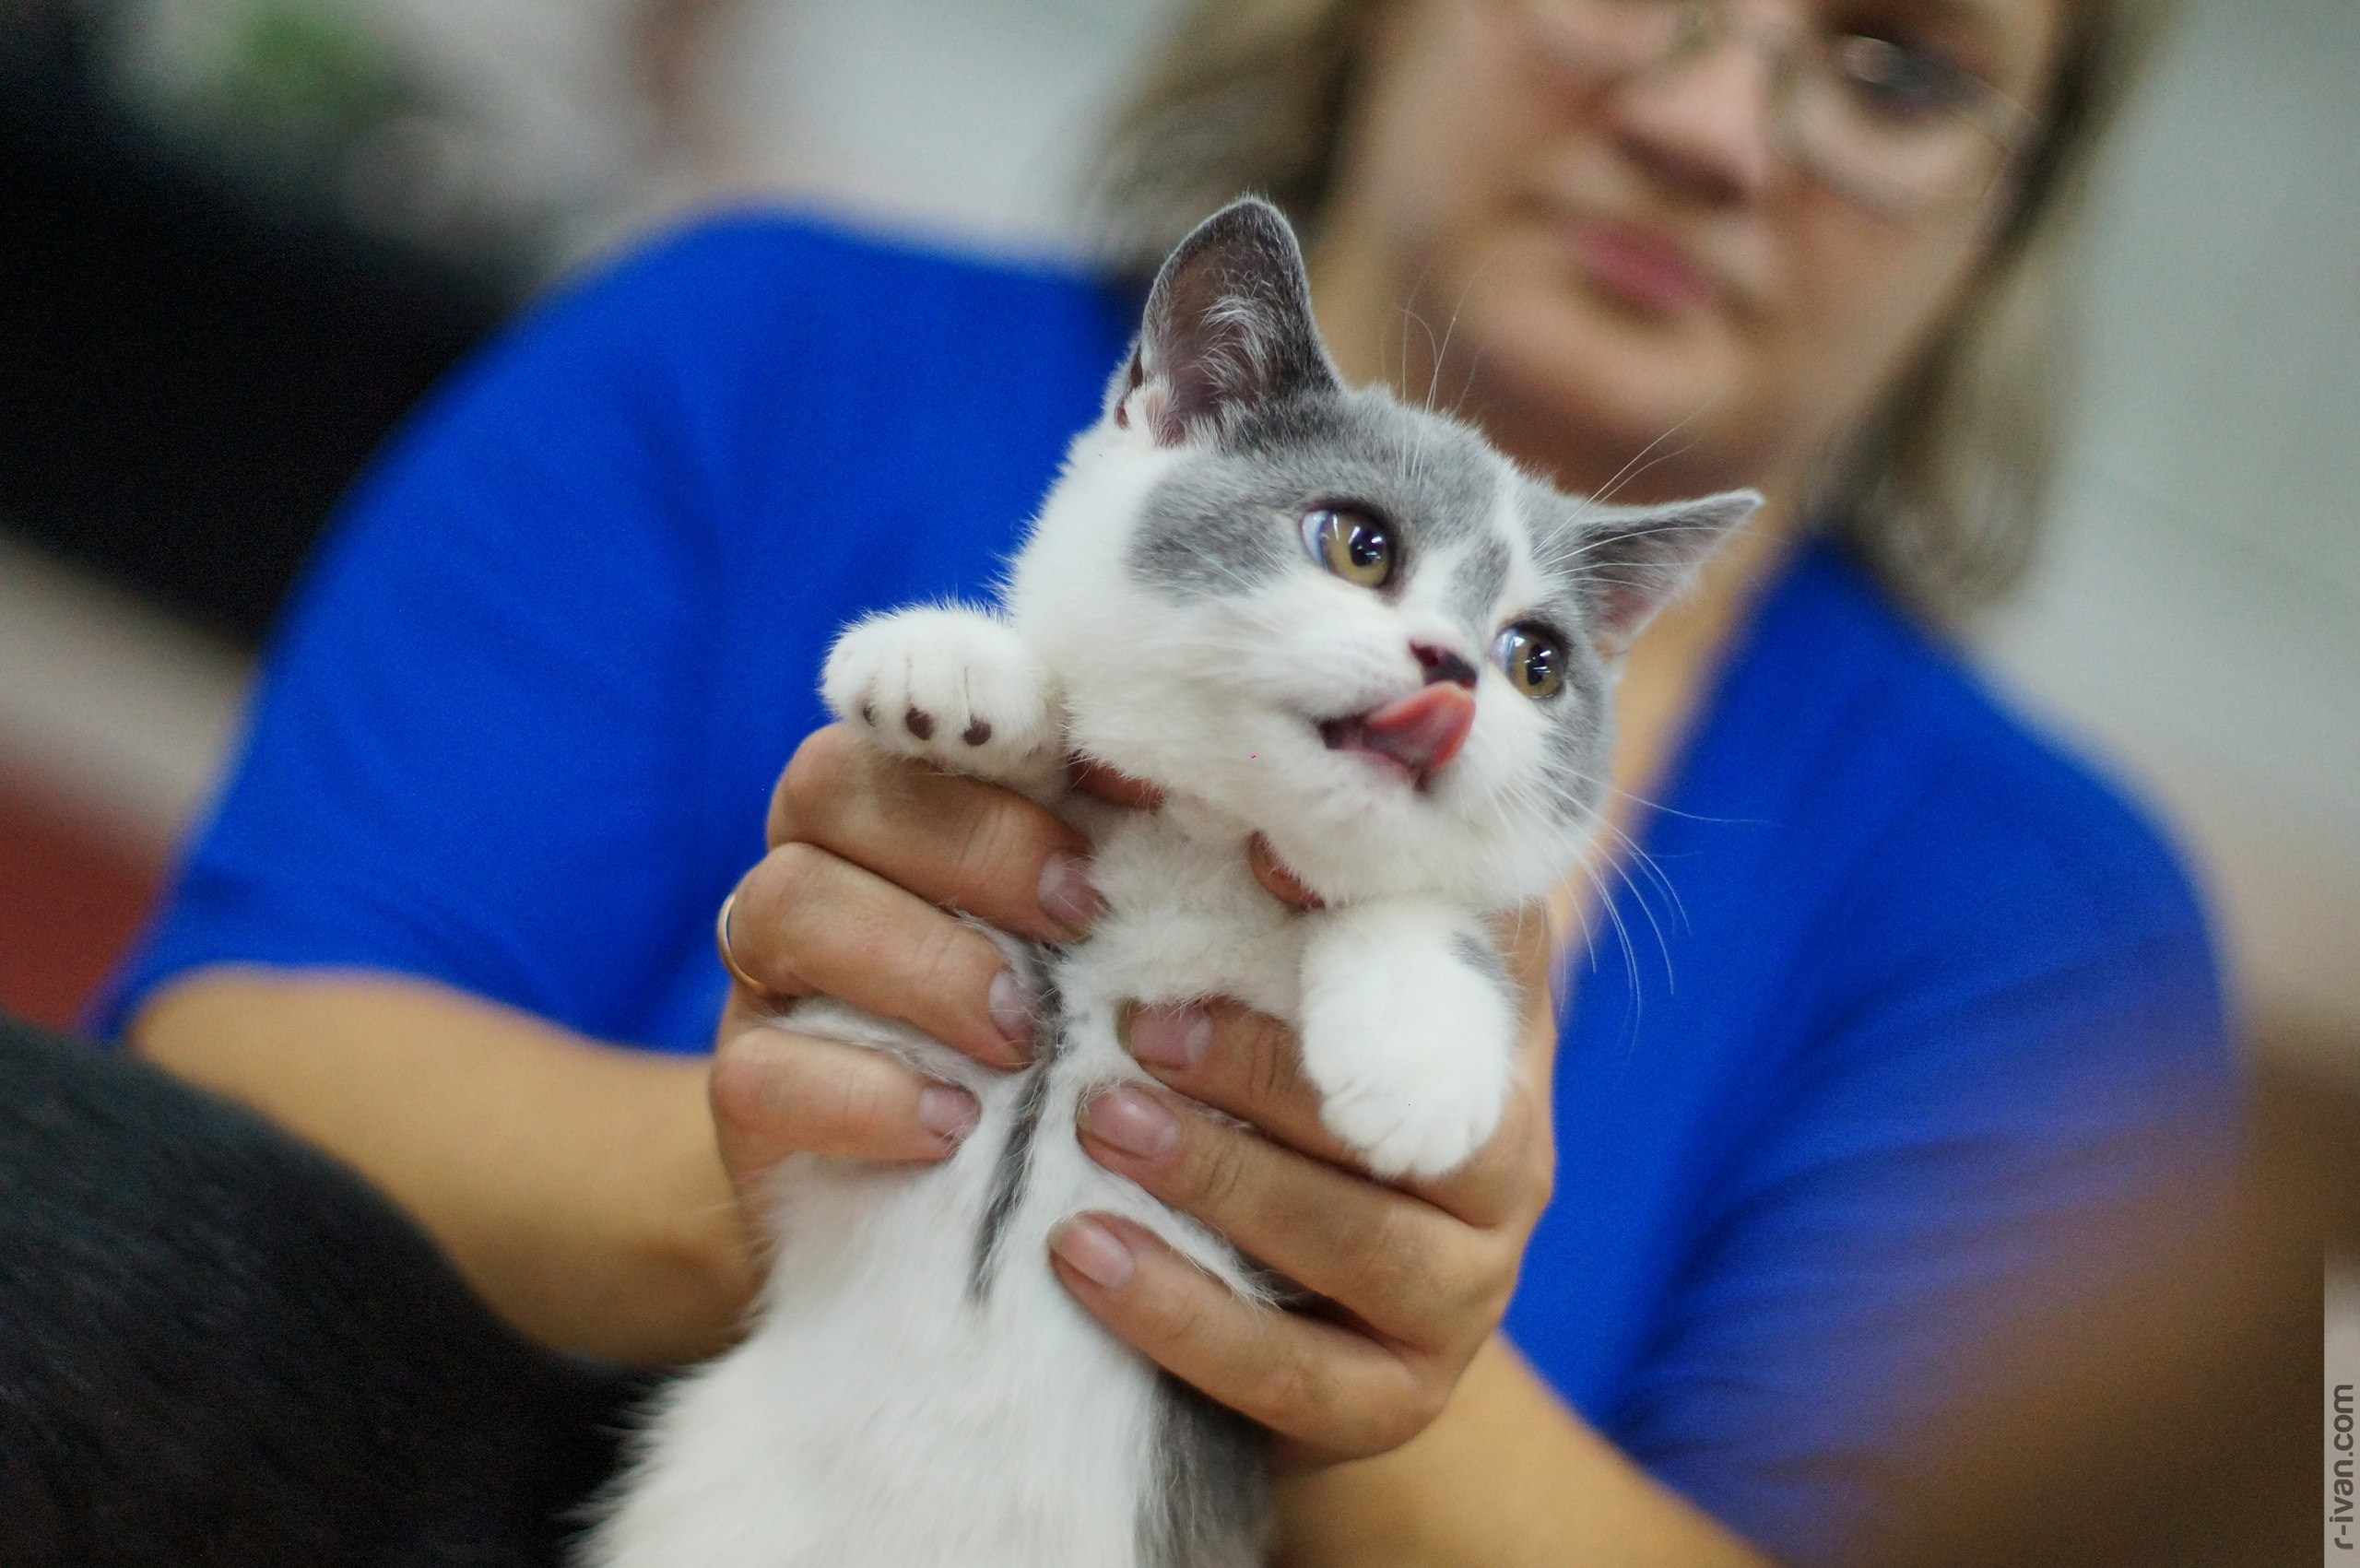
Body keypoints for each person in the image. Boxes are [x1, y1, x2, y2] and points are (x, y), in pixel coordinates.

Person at [108, 0, 2231, 1561]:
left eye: (1891, 67)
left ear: (2006, 215)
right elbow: (230, 1069)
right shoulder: (744, 358)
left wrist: (1357, 1377)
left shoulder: (2037, 930)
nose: (1702, 121)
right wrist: (805, 1167)